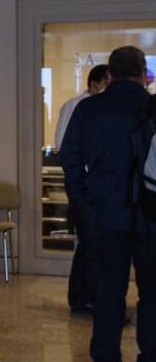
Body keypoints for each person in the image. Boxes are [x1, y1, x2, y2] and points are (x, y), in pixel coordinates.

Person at [61, 46, 155, 362]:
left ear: (110, 73)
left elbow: (69, 161)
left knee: (108, 289)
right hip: (153, 216)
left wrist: (87, 199)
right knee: (153, 293)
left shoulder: (89, 108)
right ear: (143, 72)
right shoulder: (152, 107)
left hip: (107, 213)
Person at [59, 64, 110, 313]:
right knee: (91, 241)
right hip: (83, 184)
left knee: (88, 243)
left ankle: (80, 296)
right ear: (94, 84)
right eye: (107, 84)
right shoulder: (77, 106)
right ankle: (85, 296)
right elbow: (64, 147)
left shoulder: (100, 109)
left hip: (92, 185)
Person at [54, 64, 109, 150]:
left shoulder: (111, 106)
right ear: (94, 85)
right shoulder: (73, 105)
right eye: (106, 84)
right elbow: (61, 142)